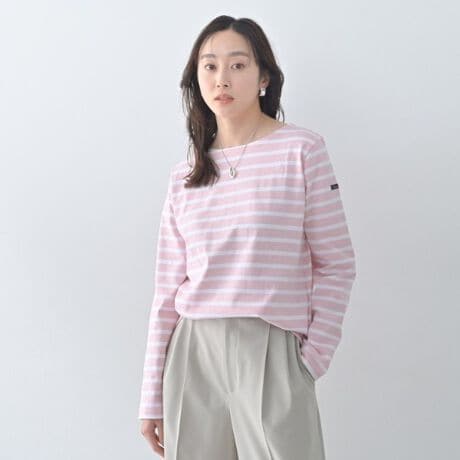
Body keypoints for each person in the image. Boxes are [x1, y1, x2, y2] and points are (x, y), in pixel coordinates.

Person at [139, 15, 356, 460]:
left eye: (237, 65)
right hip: (193, 353)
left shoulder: (302, 150)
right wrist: (152, 396)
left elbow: (336, 262)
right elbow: (166, 291)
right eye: (210, 66)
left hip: (272, 347)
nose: (222, 78)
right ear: (196, 79)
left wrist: (312, 358)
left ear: (264, 78)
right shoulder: (186, 175)